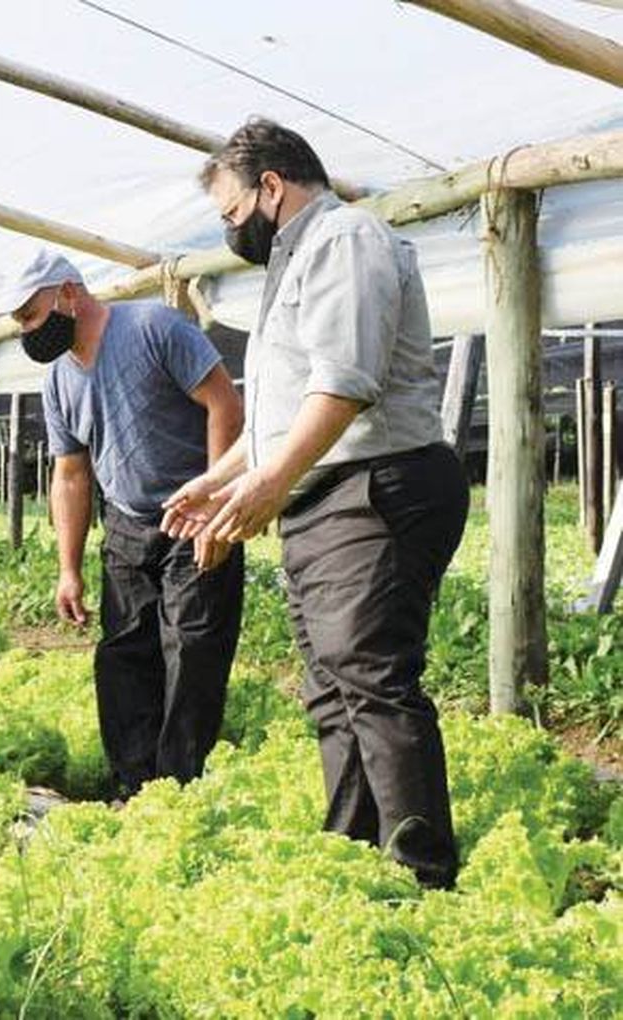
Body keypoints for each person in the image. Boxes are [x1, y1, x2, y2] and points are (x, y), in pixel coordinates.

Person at [163, 118, 467, 889]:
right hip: (327, 496)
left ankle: (422, 874)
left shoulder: (346, 241)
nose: (232, 230)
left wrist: (269, 482)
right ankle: (354, 853)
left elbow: (344, 384)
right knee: (333, 688)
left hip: (376, 487)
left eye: (232, 212)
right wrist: (225, 476)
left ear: (272, 186)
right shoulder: (296, 263)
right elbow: (284, 405)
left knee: (370, 676)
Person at [0, 249, 245, 802]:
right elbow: (71, 474)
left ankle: (179, 790)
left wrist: (218, 508)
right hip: (127, 526)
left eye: (31, 316)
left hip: (193, 514)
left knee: (193, 651)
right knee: (124, 655)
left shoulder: (154, 328)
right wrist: (68, 569)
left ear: (68, 294)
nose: (28, 332)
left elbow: (225, 405)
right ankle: (134, 787)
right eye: (20, 324)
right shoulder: (58, 380)